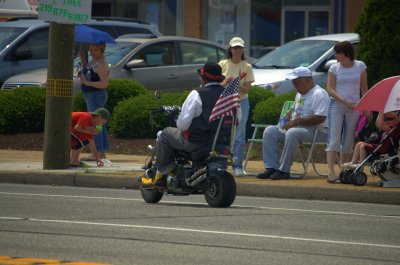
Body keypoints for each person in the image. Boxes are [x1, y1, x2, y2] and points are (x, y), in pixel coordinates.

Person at [142, 62, 235, 186]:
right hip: (221, 143)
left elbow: (182, 125)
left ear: (202, 78)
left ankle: (161, 173)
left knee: (165, 133)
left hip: (196, 142)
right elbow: (237, 121)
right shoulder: (230, 96)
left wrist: (178, 121)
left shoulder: (197, 94)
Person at [257, 67, 329, 180]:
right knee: (270, 131)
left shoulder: (319, 93)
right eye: (293, 82)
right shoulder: (299, 93)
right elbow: (295, 110)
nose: (294, 85)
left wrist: (296, 121)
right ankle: (271, 167)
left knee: (293, 132)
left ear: (306, 79)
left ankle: (284, 170)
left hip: (318, 131)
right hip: (299, 129)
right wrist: (288, 115)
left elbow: (320, 117)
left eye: (296, 82)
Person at [325, 41, 368, 183]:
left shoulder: (360, 66)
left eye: (337, 53)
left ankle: (343, 170)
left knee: (349, 141)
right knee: (334, 139)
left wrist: (366, 107)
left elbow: (364, 88)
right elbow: (330, 89)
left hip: (354, 107)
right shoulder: (334, 68)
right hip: (337, 105)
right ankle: (331, 173)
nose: (335, 55)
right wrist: (345, 101)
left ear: (346, 53)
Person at [218, 37, 255, 177]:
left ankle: (237, 165)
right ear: (230, 49)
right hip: (225, 101)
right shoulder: (222, 64)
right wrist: (225, 82)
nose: (237, 50)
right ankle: (221, 164)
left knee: (239, 134)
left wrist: (236, 83)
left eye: (239, 48)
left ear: (243, 49)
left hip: (241, 102)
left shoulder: (247, 67)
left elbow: (246, 90)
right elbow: (217, 85)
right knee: (222, 133)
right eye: (235, 48)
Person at [79, 43, 111, 163]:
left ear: (101, 50)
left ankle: (97, 152)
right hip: (90, 95)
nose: (93, 52)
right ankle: (101, 152)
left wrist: (88, 83)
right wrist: (83, 60)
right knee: (99, 123)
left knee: (96, 122)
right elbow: (87, 73)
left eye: (96, 50)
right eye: (91, 49)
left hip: (96, 96)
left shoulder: (101, 63)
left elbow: (104, 84)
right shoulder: (93, 61)